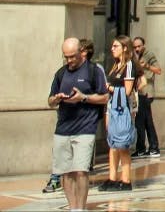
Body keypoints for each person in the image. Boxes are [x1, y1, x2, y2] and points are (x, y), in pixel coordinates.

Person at [48, 37, 108, 211]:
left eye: (72, 56)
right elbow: (50, 101)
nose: (69, 61)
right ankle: (72, 207)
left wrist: (84, 97)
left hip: (85, 129)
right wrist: (57, 98)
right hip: (63, 128)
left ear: (81, 52)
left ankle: (80, 208)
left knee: (81, 170)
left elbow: (105, 97)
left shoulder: (93, 71)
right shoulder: (61, 73)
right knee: (65, 171)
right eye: (66, 57)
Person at [100, 35, 141, 192]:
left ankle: (125, 180)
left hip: (122, 108)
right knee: (112, 143)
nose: (112, 49)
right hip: (112, 106)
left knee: (122, 144)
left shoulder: (129, 65)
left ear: (125, 48)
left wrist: (109, 88)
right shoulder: (116, 65)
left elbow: (128, 90)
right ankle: (112, 178)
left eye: (116, 46)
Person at [131, 36, 161, 158]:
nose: (137, 49)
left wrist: (147, 66)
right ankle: (143, 147)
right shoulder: (134, 56)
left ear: (144, 45)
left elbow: (158, 70)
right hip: (138, 92)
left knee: (146, 121)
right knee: (141, 121)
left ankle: (152, 147)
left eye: (139, 46)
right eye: (135, 47)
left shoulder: (149, 55)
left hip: (146, 92)